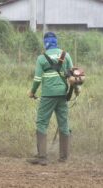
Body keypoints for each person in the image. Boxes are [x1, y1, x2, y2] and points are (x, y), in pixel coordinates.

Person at [27, 32, 79, 166]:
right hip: (63, 94)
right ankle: (64, 157)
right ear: (56, 41)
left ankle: (42, 157)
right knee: (63, 123)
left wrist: (32, 92)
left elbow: (37, 79)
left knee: (42, 123)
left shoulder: (41, 58)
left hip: (48, 95)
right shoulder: (65, 55)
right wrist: (77, 91)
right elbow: (73, 77)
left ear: (46, 43)